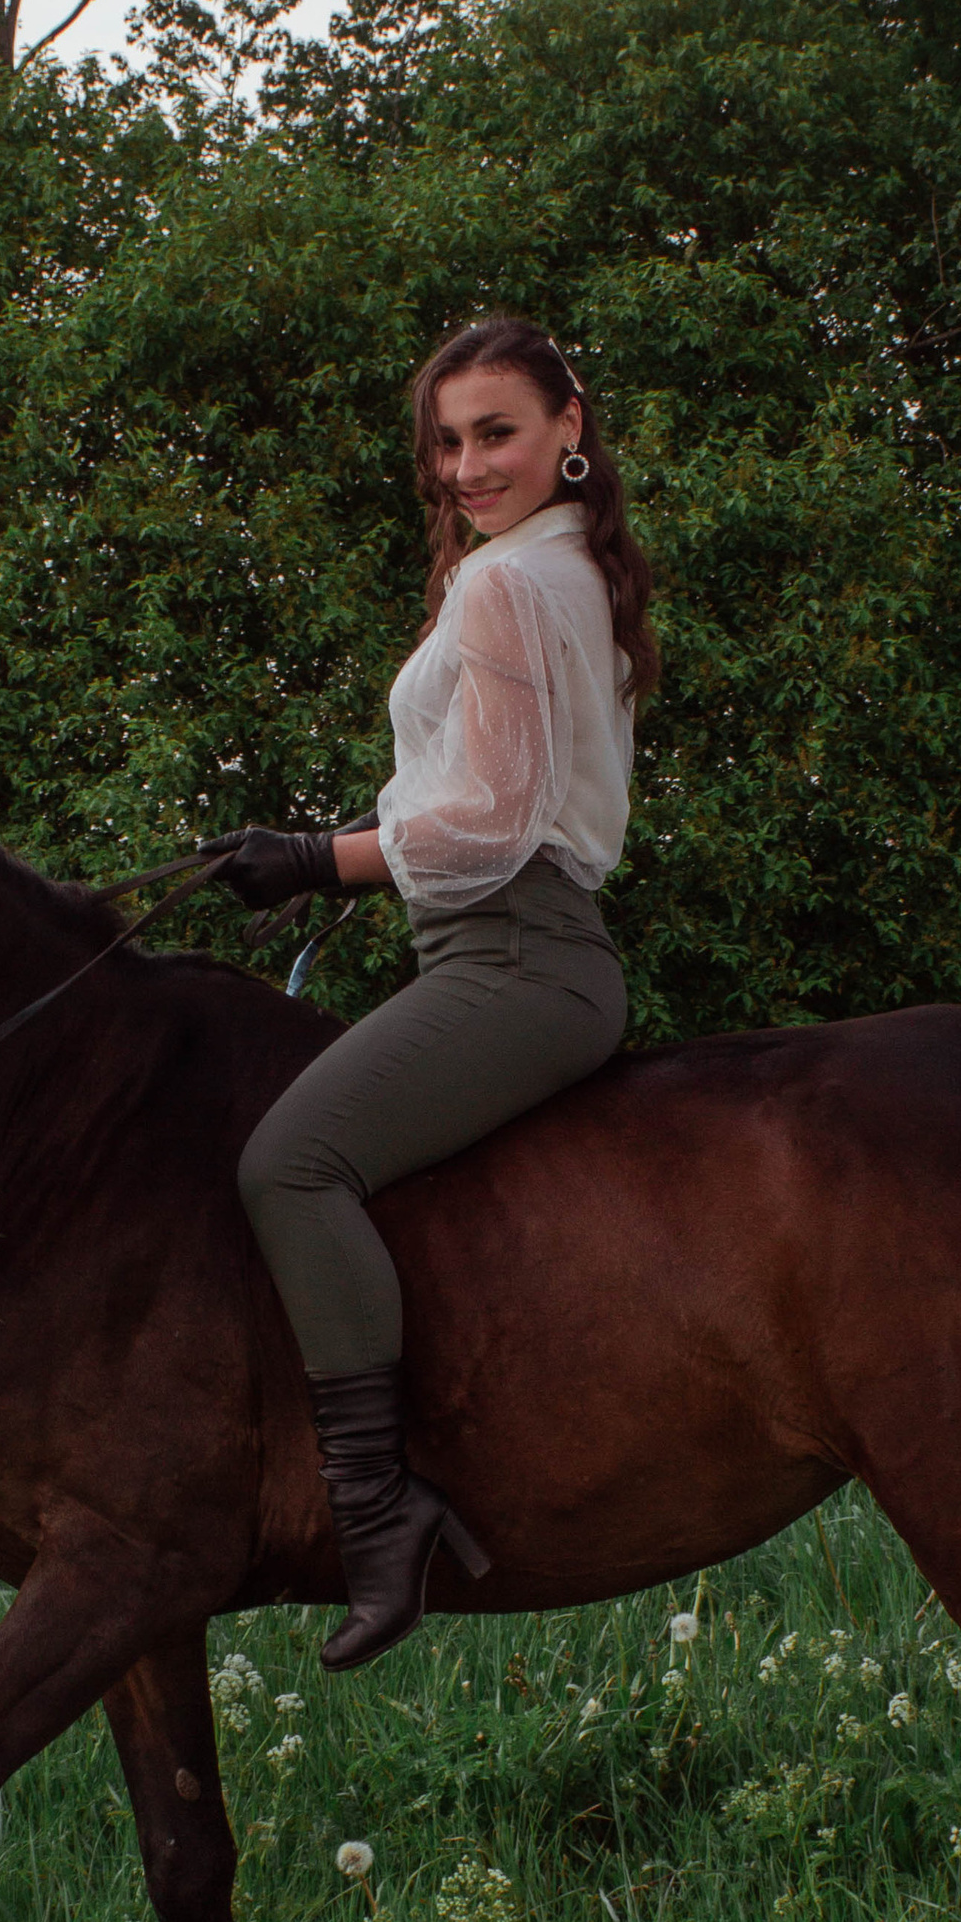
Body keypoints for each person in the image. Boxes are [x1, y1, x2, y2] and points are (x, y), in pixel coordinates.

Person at [209, 314, 660, 1668]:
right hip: (504, 948)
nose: (468, 465)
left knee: (290, 1165)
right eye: (448, 441)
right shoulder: (559, 564)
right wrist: (362, 849)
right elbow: (472, 797)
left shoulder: (504, 587)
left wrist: (324, 857)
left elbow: (495, 825)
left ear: (570, 422)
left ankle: (377, 1508)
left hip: (514, 953)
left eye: (498, 432)